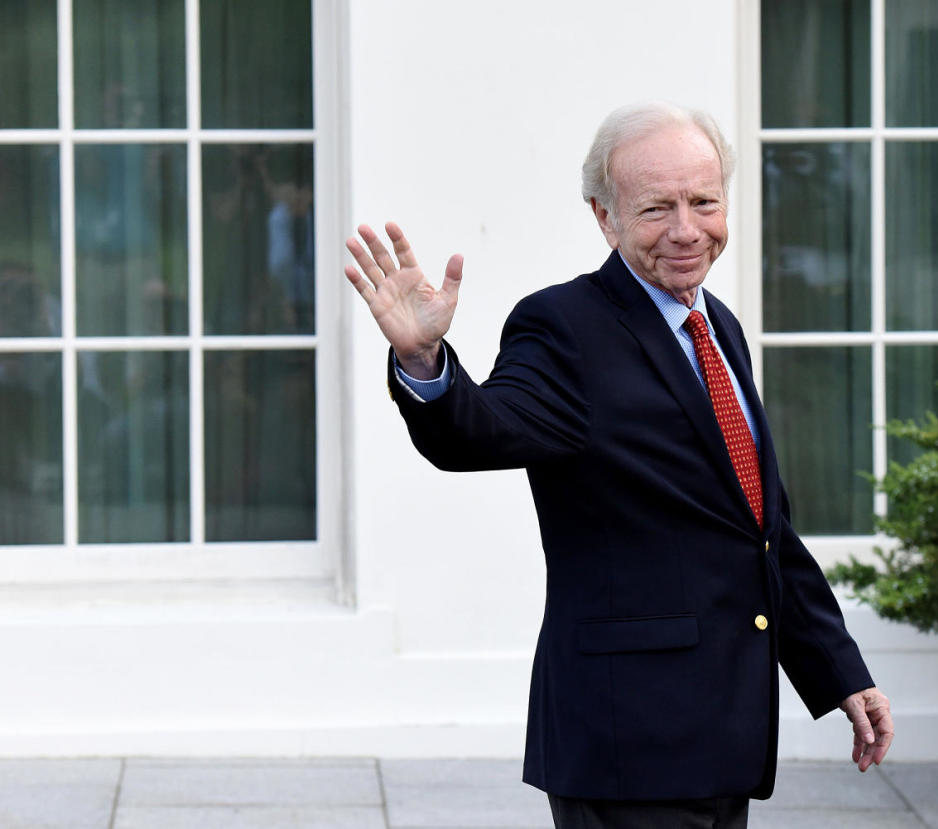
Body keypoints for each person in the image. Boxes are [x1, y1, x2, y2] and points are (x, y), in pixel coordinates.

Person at [345, 102, 892, 829]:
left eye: (703, 202)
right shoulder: (564, 326)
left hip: (722, 734)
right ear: (604, 217)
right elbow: (482, 431)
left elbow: (761, 525)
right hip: (627, 740)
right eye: (656, 208)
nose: (686, 229)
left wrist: (837, 671)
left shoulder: (717, 327)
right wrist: (423, 361)